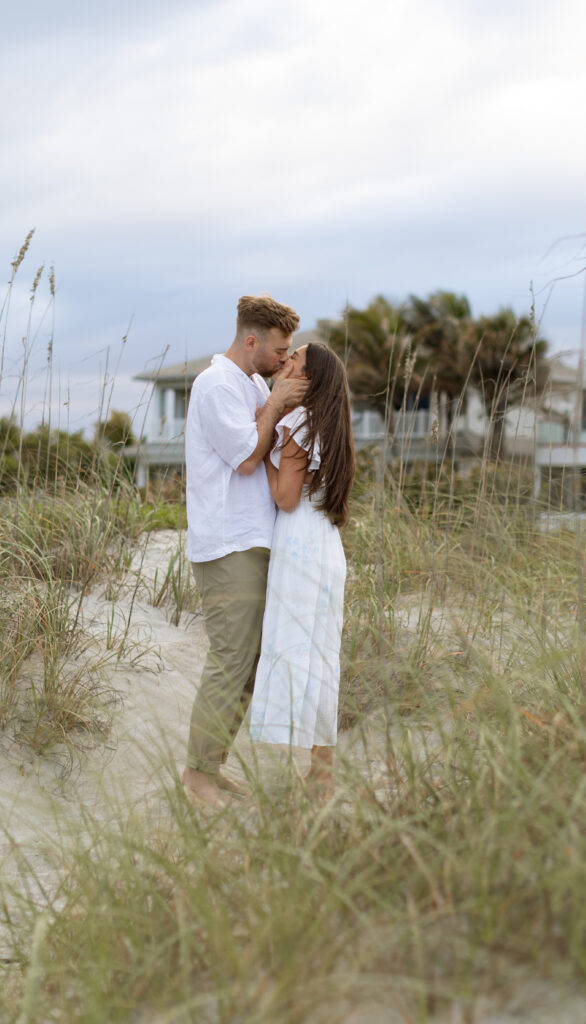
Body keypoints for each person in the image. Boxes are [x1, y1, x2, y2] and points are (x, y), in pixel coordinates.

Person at [182, 294, 307, 809]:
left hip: (255, 539)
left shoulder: (253, 383)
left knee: (250, 663)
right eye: (279, 350)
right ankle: (196, 779)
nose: (284, 359)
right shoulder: (215, 385)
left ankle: (209, 766)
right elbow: (247, 459)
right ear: (251, 341)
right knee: (230, 658)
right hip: (226, 541)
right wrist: (276, 404)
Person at [250, 342, 355, 797]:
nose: (284, 362)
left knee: (292, 648)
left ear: (308, 381)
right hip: (326, 543)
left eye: (294, 361)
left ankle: (303, 771)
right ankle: (322, 767)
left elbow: (285, 498)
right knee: (320, 653)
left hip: (300, 542)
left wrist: (263, 461)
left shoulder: (296, 425)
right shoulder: (330, 426)